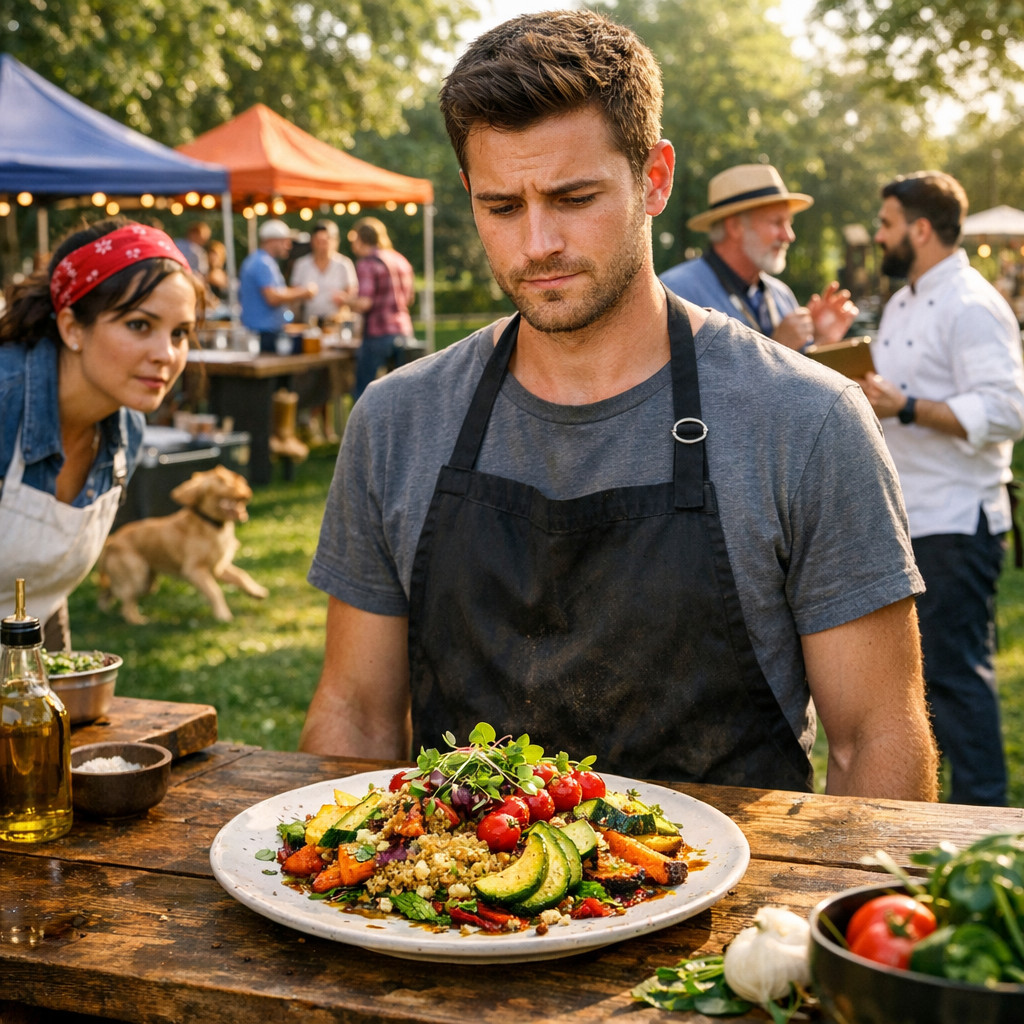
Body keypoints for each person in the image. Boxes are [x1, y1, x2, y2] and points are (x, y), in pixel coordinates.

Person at [300, 10, 937, 799]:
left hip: (734, 904)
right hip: (455, 906)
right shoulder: (397, 421)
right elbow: (356, 716)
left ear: (655, 178)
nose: (537, 244)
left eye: (574, 198)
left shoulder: (805, 422)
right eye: (502, 207)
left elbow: (874, 739)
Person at [858, 170, 1024, 806]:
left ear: (921, 229)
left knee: (955, 683)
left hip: (957, 520)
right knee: (915, 689)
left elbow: (1006, 412)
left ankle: (983, 827)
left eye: (888, 225)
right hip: (907, 519)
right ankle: (934, 823)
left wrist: (906, 408)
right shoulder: (903, 302)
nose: (880, 236)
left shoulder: (973, 305)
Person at [0, 218, 200, 650]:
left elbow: (40, 592)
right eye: (139, 325)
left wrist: (56, 688)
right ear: (72, 328)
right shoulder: (4, 404)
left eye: (180, 333)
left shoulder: (125, 428)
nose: (166, 354)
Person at [660, 164, 857, 350]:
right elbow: (670, 383)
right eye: (777, 222)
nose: (789, 236)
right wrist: (779, 346)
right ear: (735, 227)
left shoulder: (782, 295)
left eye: (788, 223)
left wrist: (820, 338)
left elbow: (800, 382)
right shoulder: (676, 294)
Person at [347, 217, 415, 400]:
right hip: (403, 331)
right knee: (403, 393)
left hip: (378, 333)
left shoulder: (367, 263)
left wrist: (344, 300)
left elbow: (365, 303)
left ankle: (363, 429)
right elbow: (409, 298)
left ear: (361, 239)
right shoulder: (400, 260)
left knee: (364, 393)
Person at [238, 219, 316, 353]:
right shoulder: (262, 263)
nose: (289, 246)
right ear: (272, 241)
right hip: (264, 335)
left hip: (262, 333)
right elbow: (272, 297)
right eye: (285, 241)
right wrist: (304, 293)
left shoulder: (260, 260)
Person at [289, 220, 358, 326]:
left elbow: (353, 295)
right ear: (312, 242)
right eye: (318, 241)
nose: (321, 246)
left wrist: (344, 299)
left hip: (336, 322)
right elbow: (293, 296)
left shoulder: (344, 264)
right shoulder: (301, 264)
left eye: (325, 241)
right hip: (309, 322)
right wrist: (302, 294)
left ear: (335, 241)